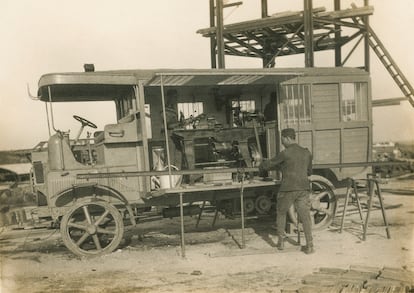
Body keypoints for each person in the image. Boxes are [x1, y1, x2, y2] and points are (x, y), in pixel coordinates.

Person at [258, 128, 314, 254]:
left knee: (281, 213)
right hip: (303, 188)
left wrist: (261, 164)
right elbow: (309, 172)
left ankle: (281, 242)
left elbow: (268, 165)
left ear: (288, 138)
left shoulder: (285, 153)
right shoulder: (306, 152)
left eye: (282, 139)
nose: (282, 142)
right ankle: (310, 245)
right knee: (305, 216)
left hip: (288, 188)